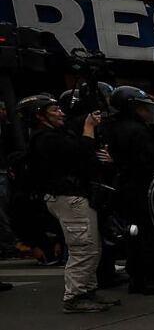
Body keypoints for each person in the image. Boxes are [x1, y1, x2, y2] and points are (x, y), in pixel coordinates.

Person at [17, 94, 119, 312]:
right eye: (54, 110)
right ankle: (75, 297)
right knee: (83, 248)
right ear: (39, 115)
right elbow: (80, 152)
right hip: (68, 197)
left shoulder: (54, 134)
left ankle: (87, 291)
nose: (60, 113)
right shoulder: (46, 139)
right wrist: (89, 128)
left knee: (91, 246)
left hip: (73, 196)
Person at [101, 85, 154, 295]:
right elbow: (150, 158)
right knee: (148, 235)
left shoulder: (113, 127)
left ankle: (138, 276)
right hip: (140, 188)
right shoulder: (136, 131)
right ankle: (149, 278)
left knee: (134, 236)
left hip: (125, 187)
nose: (148, 112)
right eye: (143, 108)